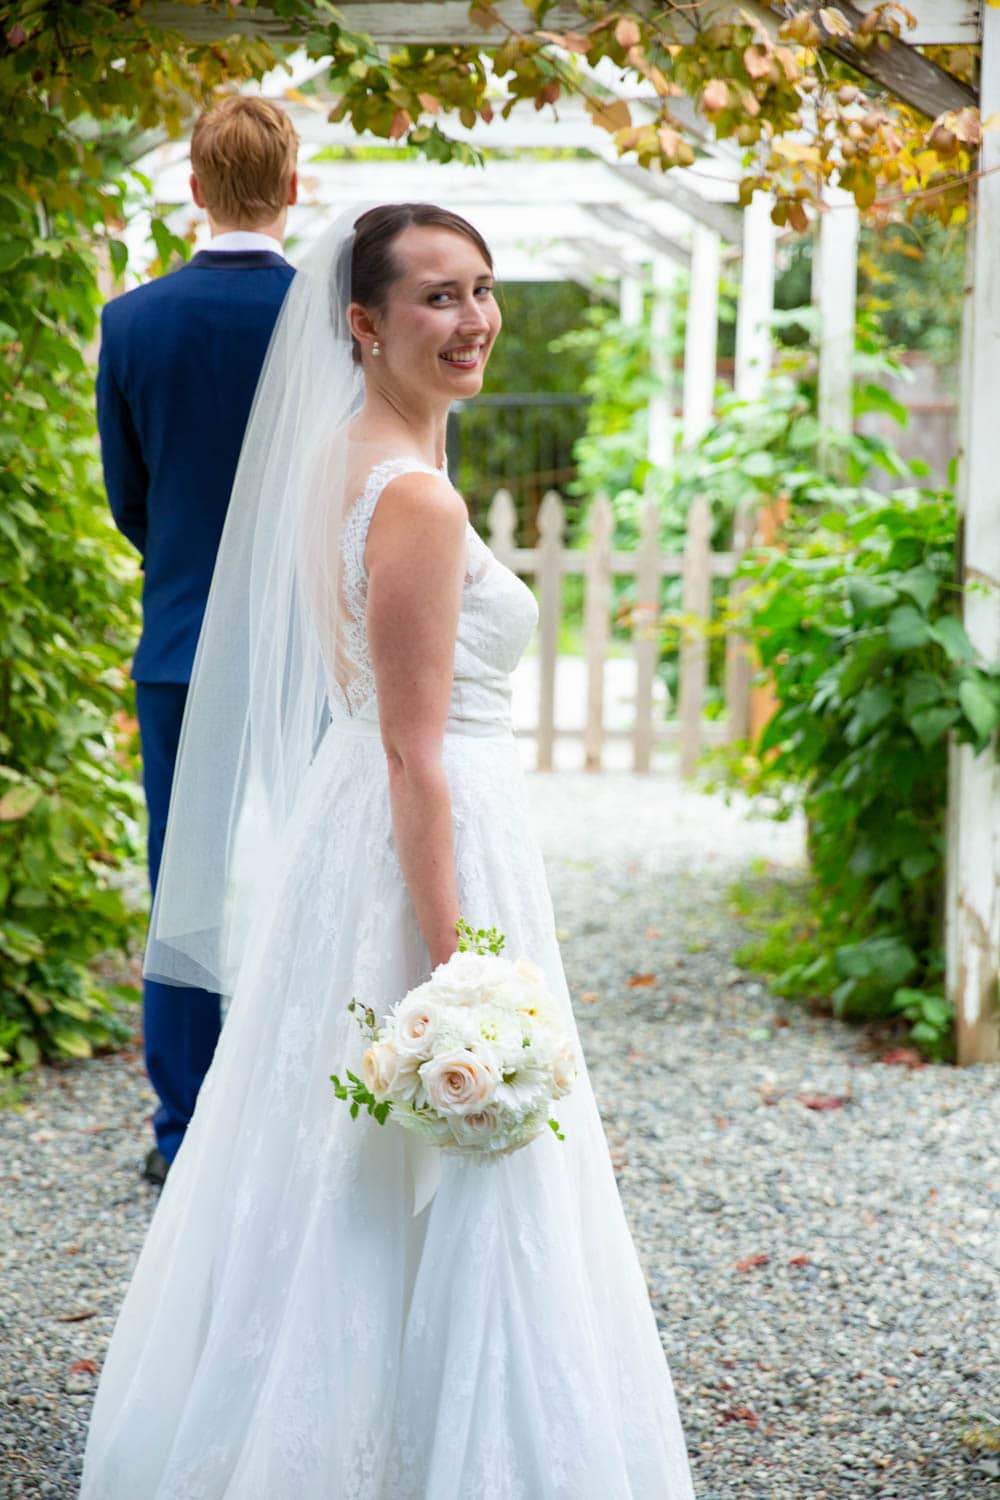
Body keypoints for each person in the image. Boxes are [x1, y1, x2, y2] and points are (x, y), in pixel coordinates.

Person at [80, 202, 696, 1497]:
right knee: (441, 1144)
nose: (471, 320)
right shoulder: (408, 493)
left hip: (353, 822)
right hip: (427, 830)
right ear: (362, 325)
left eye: (480, 291)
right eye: (435, 298)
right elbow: (417, 748)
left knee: (336, 1151)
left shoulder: (337, 457)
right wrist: (458, 967)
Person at [96, 96, 298, 1184]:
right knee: (316, 876)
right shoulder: (335, 317)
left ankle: (184, 1134)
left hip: (180, 642)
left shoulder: (131, 322)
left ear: (193, 186)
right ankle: (304, 1115)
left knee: (188, 889)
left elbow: (134, 501)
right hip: (312, 646)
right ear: (294, 185)